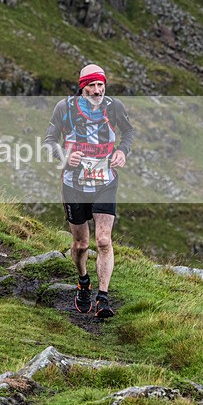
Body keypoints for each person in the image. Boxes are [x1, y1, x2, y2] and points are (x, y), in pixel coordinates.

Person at [44, 64, 135, 318]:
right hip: (74, 184)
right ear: (82, 86)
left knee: (104, 240)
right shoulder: (64, 108)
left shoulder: (114, 107)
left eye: (101, 85)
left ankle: (103, 298)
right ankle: (83, 282)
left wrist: (121, 151)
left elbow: (128, 132)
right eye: (92, 85)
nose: (97, 90)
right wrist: (64, 157)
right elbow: (49, 140)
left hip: (106, 181)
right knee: (81, 243)